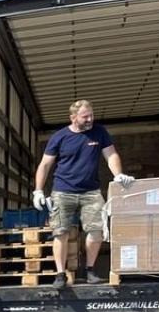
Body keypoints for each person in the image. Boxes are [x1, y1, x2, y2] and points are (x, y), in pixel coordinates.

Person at [33, 100, 133, 287]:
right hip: (62, 191)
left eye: (91, 115)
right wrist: (38, 190)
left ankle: (90, 271)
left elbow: (111, 155)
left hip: (91, 191)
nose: (90, 119)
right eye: (85, 117)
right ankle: (61, 274)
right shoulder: (59, 137)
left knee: (97, 231)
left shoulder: (99, 132)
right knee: (60, 232)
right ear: (73, 118)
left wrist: (118, 175)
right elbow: (45, 165)